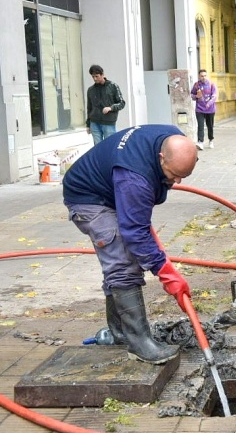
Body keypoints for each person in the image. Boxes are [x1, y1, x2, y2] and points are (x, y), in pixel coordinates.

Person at [63, 125, 198, 364]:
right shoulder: (133, 177)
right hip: (89, 199)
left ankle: (120, 333)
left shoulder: (171, 136)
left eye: (182, 177)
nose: (176, 181)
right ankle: (139, 343)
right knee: (123, 264)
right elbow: (135, 232)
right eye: (173, 174)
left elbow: (137, 220)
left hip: (113, 191)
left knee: (124, 258)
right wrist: (166, 273)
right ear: (161, 157)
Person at [85, 64, 126, 145]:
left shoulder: (113, 86)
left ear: (102, 74)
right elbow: (89, 108)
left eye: (96, 76)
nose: (94, 79)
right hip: (94, 122)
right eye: (93, 77)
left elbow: (122, 103)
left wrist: (111, 108)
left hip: (108, 122)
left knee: (110, 146)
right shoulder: (90, 90)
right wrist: (88, 124)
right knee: (97, 148)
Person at [191, 69, 217, 150]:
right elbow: (192, 95)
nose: (203, 77)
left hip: (210, 109)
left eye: (205, 75)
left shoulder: (212, 84)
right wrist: (196, 97)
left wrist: (209, 103)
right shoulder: (196, 85)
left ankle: (211, 140)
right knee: (200, 126)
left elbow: (214, 96)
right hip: (199, 109)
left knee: (210, 126)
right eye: (202, 76)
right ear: (199, 76)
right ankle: (200, 142)